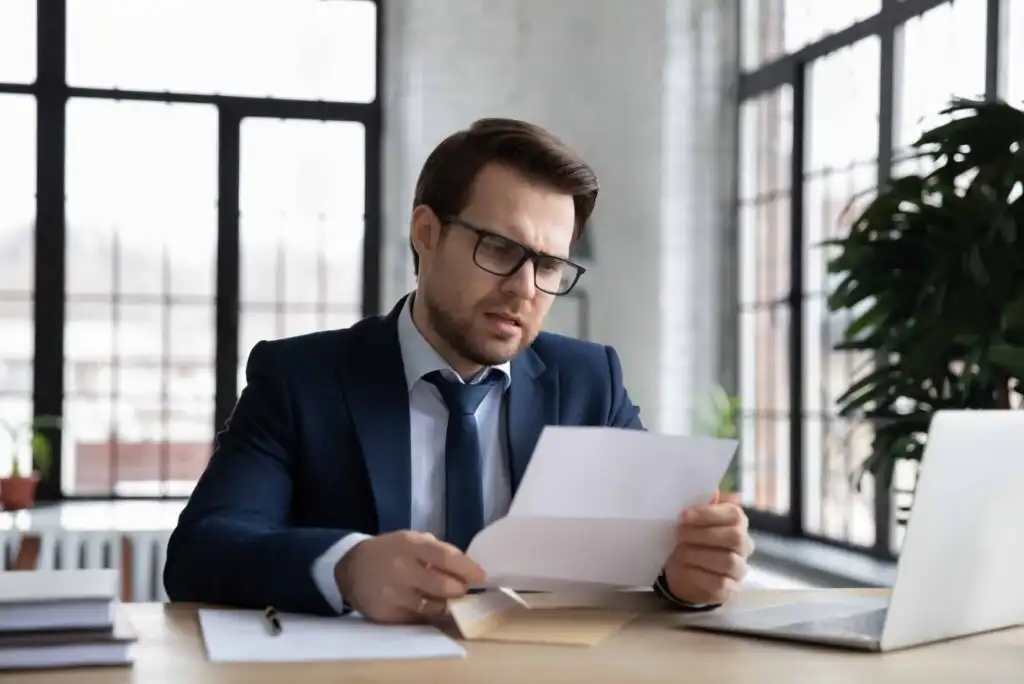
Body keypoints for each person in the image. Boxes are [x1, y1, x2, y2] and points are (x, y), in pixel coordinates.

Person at [163, 118, 754, 623]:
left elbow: (647, 549)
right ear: (426, 233)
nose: (524, 290)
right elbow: (201, 552)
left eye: (549, 265)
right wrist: (346, 568)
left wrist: (684, 576)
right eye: (499, 249)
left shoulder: (588, 381)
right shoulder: (301, 379)